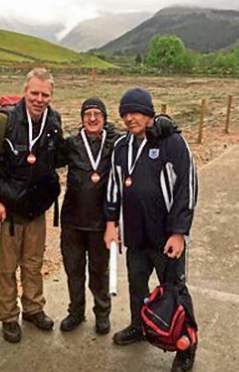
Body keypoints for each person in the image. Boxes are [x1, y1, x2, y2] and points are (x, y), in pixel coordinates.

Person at [104, 87, 198, 372]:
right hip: (135, 235)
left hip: (166, 237)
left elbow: (187, 187)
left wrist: (179, 232)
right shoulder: (121, 147)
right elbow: (114, 187)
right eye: (124, 113)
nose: (129, 118)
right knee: (136, 287)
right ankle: (139, 327)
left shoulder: (171, 142)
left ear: (148, 113)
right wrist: (111, 223)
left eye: (135, 111)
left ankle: (186, 345)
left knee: (175, 291)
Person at [0, 68, 63, 343]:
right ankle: (9, 317)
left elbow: (59, 156)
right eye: (34, 93)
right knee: (5, 267)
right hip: (6, 213)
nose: (39, 99)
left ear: (51, 96)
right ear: (25, 92)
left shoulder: (54, 121)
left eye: (44, 94)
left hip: (36, 212)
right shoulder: (2, 121)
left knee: (34, 265)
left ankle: (34, 309)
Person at [58, 98, 118, 334]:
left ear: (104, 118)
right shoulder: (71, 144)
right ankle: (76, 312)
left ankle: (102, 313)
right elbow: (47, 158)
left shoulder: (115, 144)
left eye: (97, 114)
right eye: (88, 114)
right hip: (72, 220)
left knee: (98, 271)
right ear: (82, 118)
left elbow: (142, 141)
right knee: (73, 269)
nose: (92, 118)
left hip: (101, 222)